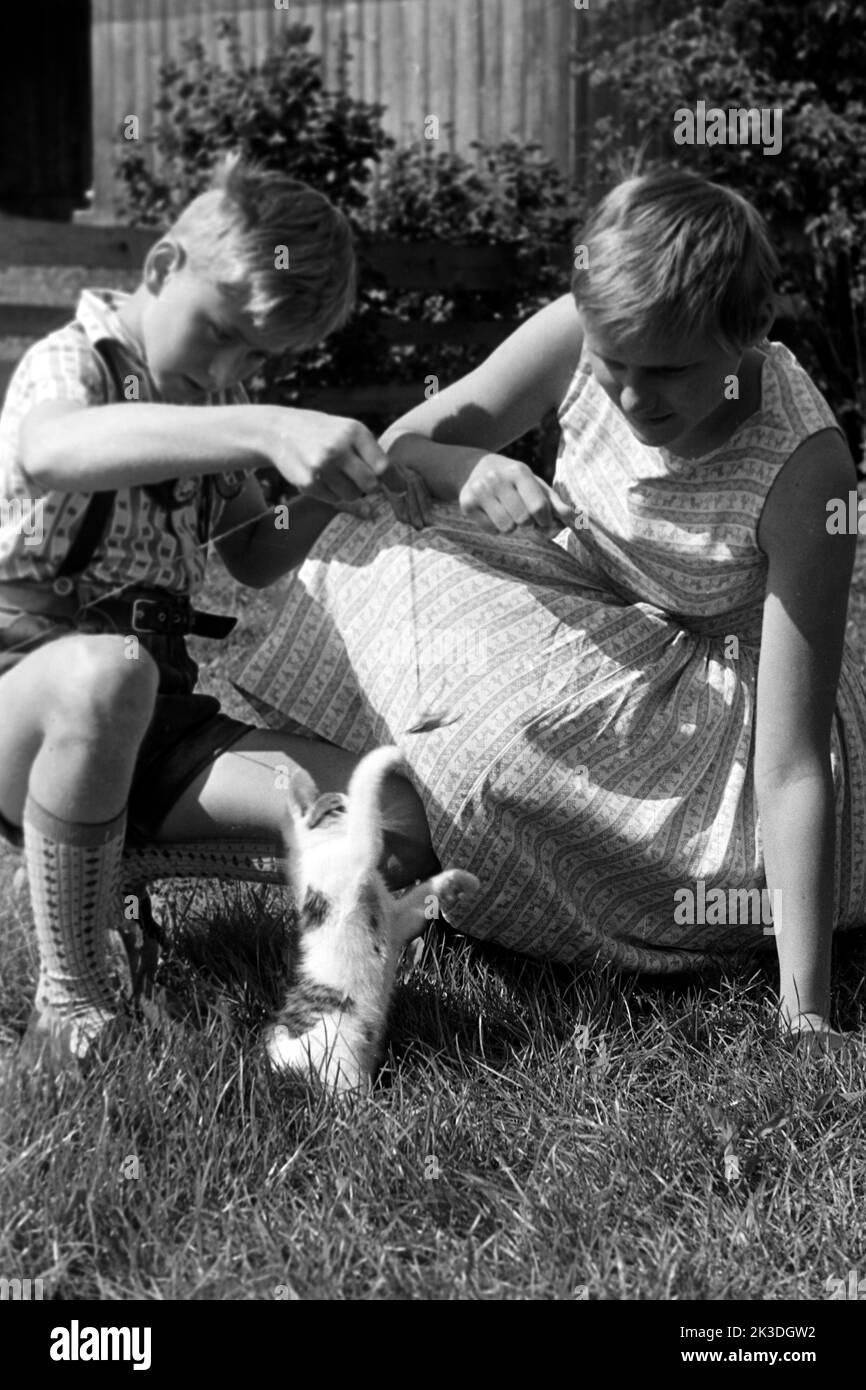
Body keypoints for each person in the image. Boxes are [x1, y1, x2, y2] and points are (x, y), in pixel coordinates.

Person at [237, 166, 866, 1053]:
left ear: (750, 334)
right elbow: (404, 449)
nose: (636, 398)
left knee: (498, 746)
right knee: (375, 536)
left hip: (727, 710)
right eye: (616, 368)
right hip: (600, 600)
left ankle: (456, 836)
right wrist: (471, 469)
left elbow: (796, 764)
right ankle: (410, 815)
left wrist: (807, 1015)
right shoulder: (583, 330)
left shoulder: (806, 470)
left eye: (672, 372)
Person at [0, 153, 438, 1070]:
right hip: (24, 700)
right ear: (162, 268)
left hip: (159, 723)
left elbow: (254, 549)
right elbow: (49, 452)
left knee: (385, 805)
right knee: (105, 673)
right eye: (224, 334)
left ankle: (322, 1029)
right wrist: (265, 426)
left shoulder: (216, 403)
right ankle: (71, 1002)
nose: (232, 370)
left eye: (259, 362)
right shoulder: (77, 364)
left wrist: (321, 496)